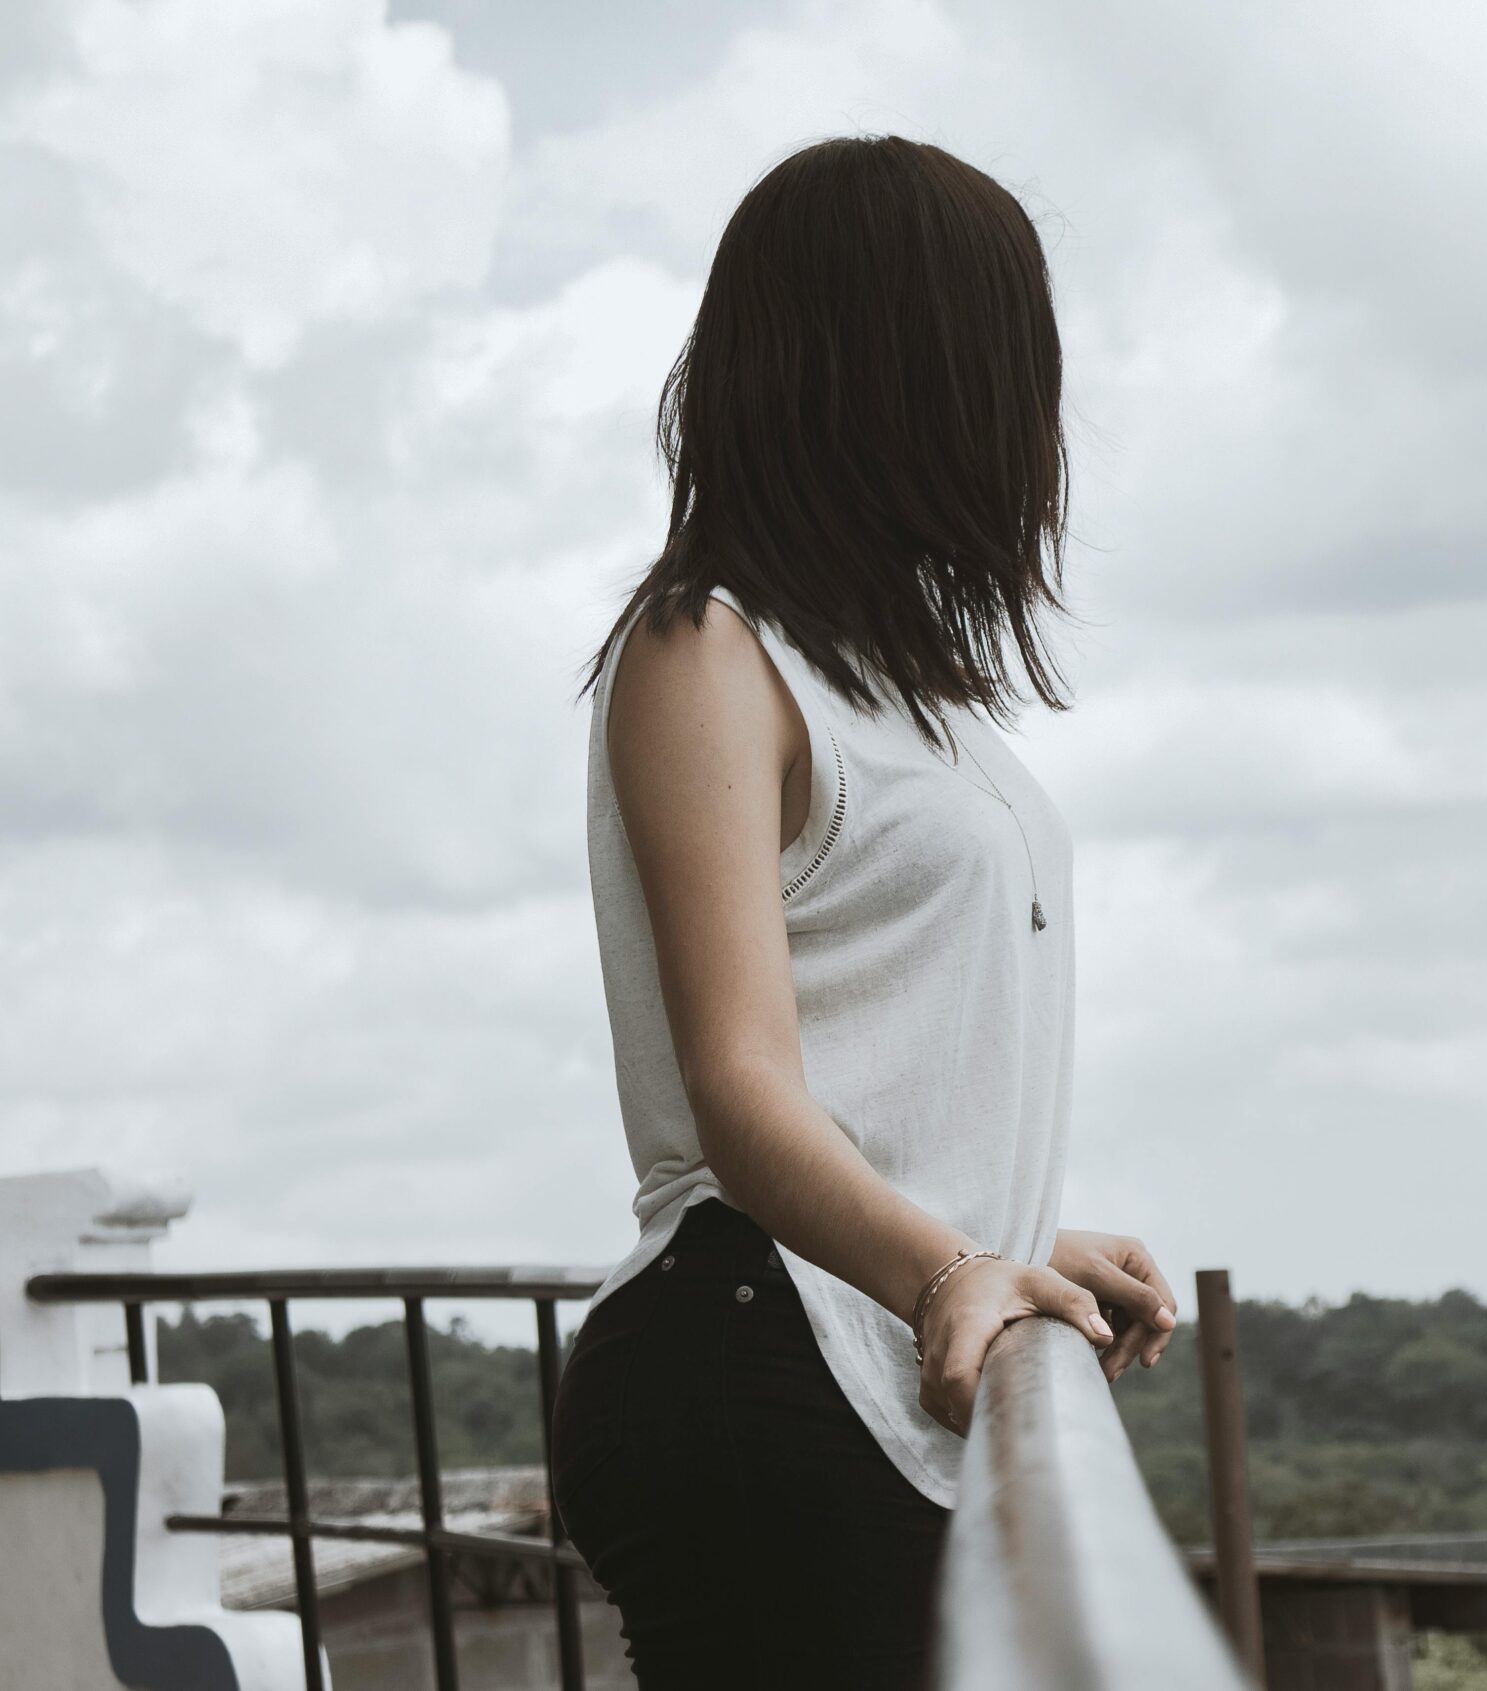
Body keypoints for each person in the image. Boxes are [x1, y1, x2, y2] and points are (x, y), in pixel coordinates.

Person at [547, 135, 1177, 1690]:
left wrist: (1011, 1236)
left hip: (857, 1361)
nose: (1033, 418)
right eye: (1001, 361)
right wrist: (949, 1267)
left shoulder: (912, 700)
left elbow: (874, 1066)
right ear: (900, 372)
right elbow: (743, 1089)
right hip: (756, 1365)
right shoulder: (705, 651)